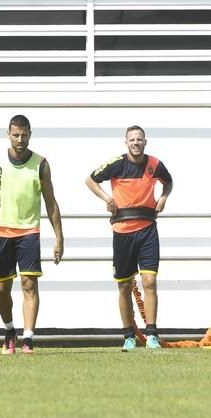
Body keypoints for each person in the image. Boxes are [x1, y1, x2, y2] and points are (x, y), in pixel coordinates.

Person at [0, 114, 64, 355]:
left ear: (30, 134)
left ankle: (28, 338)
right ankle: (8, 331)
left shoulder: (41, 164)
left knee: (29, 284)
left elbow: (51, 202)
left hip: (29, 231)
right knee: (2, 289)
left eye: (24, 134)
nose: (20, 139)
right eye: (15, 135)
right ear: (8, 135)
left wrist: (59, 237)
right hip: (1, 231)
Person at [85, 125, 173, 351]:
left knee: (150, 281)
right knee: (124, 285)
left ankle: (152, 334)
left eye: (139, 139)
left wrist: (163, 197)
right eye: (132, 139)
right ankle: (128, 336)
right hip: (123, 232)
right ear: (126, 142)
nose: (136, 143)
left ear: (145, 142)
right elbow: (90, 180)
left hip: (148, 230)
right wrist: (107, 198)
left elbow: (168, 182)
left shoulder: (154, 164)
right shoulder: (117, 163)